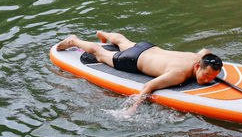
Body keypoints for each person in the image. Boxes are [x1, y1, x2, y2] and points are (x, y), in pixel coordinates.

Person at [56, 30, 223, 113]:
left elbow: (205, 50)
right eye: (206, 75)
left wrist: (213, 65)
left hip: (147, 47)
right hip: (132, 60)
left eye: (212, 77)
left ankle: (104, 34)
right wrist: (133, 108)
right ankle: (74, 41)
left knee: (123, 41)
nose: (208, 79)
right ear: (197, 67)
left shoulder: (199, 57)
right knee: (100, 54)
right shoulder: (179, 74)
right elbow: (149, 86)